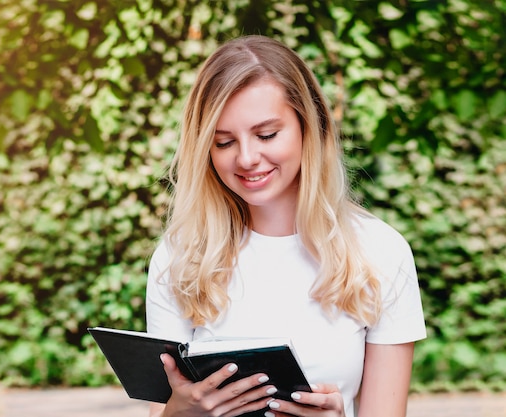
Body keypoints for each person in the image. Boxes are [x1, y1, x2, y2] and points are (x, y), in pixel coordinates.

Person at [145, 35, 426, 417]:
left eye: (266, 135)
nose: (246, 158)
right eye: (224, 142)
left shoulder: (379, 251)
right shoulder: (180, 256)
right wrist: (181, 413)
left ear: (309, 127)